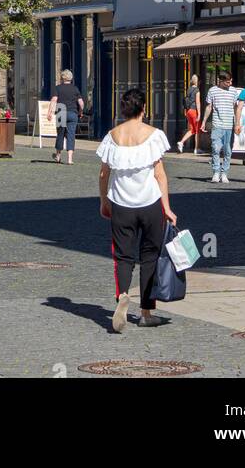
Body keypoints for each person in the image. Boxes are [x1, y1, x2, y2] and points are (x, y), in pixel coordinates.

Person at [97, 87, 176, 333]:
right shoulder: (153, 135)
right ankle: (145, 312)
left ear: (123, 109)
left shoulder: (112, 136)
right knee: (150, 255)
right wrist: (167, 208)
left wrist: (104, 201)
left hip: (121, 204)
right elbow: (160, 175)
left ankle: (122, 295)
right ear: (143, 109)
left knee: (123, 257)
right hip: (150, 204)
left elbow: (103, 173)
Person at [202, 70, 240, 184]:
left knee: (228, 151)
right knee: (215, 149)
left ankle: (224, 173)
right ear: (221, 81)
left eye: (231, 81)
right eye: (227, 82)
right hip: (217, 125)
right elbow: (209, 107)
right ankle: (216, 172)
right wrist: (204, 121)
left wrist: (237, 123)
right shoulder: (212, 90)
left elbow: (235, 108)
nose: (230, 84)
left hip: (229, 126)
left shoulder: (233, 91)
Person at [47, 70, 84, 164]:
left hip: (61, 112)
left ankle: (58, 156)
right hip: (72, 113)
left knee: (60, 134)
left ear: (62, 78)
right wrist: (80, 111)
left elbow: (54, 100)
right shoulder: (75, 89)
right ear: (71, 78)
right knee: (71, 135)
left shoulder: (58, 88)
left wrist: (49, 112)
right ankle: (70, 159)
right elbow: (81, 103)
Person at [176, 74, 202, 155]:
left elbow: (186, 100)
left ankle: (181, 142)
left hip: (188, 111)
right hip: (194, 111)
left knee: (192, 130)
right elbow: (198, 102)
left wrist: (185, 110)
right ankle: (196, 149)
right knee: (197, 131)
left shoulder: (188, 89)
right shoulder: (197, 90)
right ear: (198, 81)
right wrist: (199, 113)